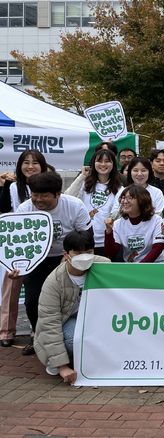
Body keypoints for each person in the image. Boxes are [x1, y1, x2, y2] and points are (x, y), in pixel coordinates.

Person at [14, 172, 92, 355]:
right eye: (35, 195)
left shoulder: (74, 206)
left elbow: (87, 236)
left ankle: (64, 337)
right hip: (36, 260)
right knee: (33, 300)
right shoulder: (25, 209)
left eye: (44, 195)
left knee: (67, 301)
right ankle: (38, 337)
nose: (38, 200)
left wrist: (75, 257)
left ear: (58, 194)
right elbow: (17, 243)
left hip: (67, 258)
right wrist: (15, 266)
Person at [34, 231, 110, 384]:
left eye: (88, 252)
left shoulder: (105, 266)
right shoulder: (53, 282)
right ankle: (59, 360)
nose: (84, 256)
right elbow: (49, 323)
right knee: (75, 338)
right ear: (66, 254)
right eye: (78, 252)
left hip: (94, 318)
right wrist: (62, 367)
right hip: (67, 321)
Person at [0, 150, 48, 348]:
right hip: (18, 243)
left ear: (42, 166)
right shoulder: (12, 186)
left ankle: (35, 330)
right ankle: (6, 331)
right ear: (19, 166)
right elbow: (4, 210)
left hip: (41, 243)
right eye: (26, 162)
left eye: (35, 163)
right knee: (10, 288)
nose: (30, 166)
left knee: (37, 292)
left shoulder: (48, 183)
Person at [65, 148, 123, 255]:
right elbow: (67, 197)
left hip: (105, 241)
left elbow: (115, 213)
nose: (103, 164)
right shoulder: (85, 183)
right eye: (99, 161)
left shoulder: (119, 188)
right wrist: (82, 176)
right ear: (93, 163)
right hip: (82, 240)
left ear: (113, 164)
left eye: (107, 161)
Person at [105, 185, 164, 263]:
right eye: (123, 198)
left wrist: (139, 268)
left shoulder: (157, 220)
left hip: (155, 266)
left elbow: (158, 247)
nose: (125, 201)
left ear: (142, 201)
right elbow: (111, 253)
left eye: (129, 198)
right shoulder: (117, 224)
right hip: (131, 269)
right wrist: (109, 233)